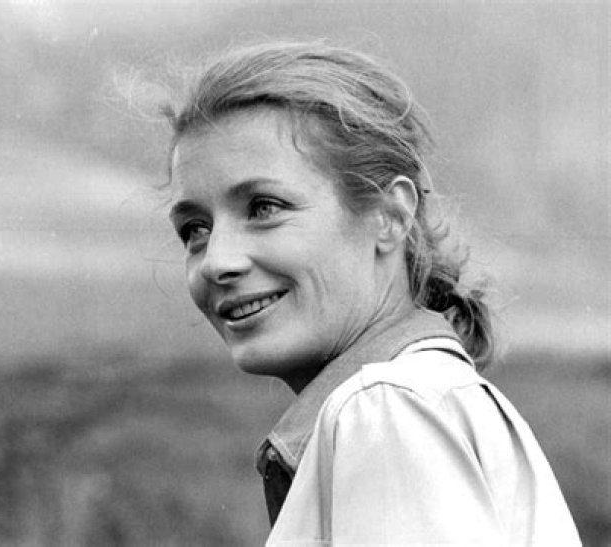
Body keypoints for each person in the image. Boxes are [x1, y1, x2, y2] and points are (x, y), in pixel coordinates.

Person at [164, 41, 580, 545]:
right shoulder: (415, 401)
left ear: (390, 215)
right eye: (194, 229)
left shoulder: (385, 408)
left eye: (264, 207)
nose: (217, 261)